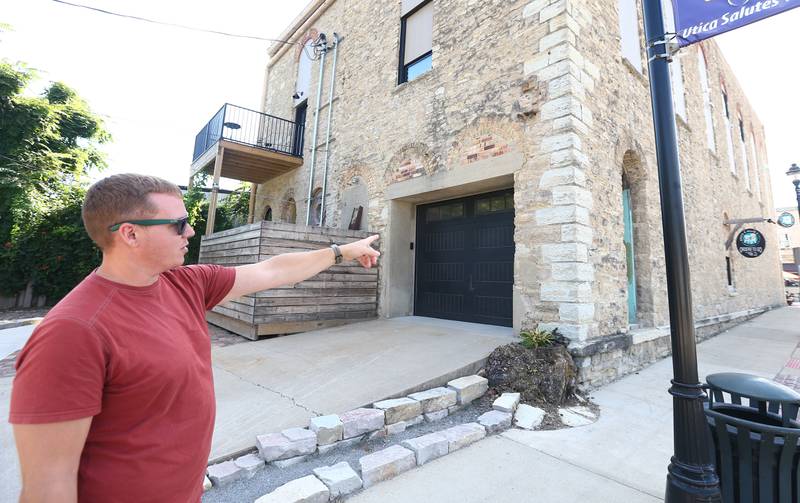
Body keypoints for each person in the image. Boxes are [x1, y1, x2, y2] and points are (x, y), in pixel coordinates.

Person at [9, 173, 380, 503]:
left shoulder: (185, 283)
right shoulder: (72, 332)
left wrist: (342, 251)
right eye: (179, 224)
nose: (189, 232)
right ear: (130, 233)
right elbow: (47, 487)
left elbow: (271, 270)